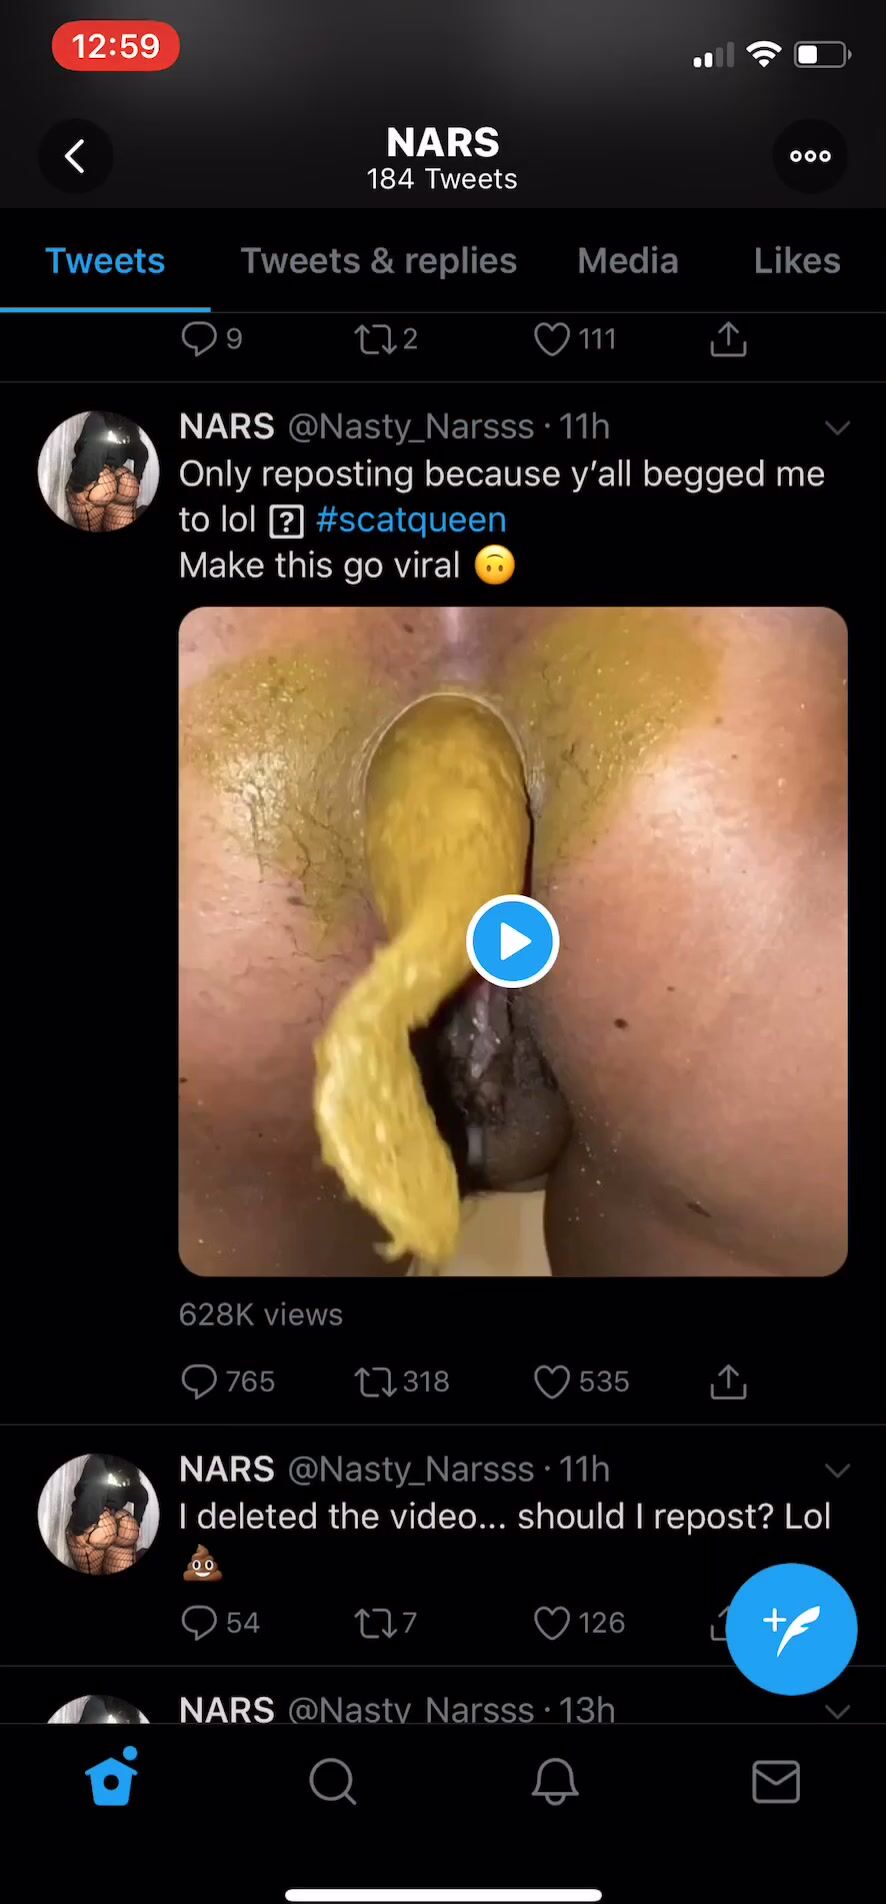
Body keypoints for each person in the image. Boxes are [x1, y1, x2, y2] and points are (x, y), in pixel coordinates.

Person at [65, 412, 149, 532]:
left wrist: (78, 486)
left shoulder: (97, 419)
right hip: (122, 483)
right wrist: (137, 479)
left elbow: (94, 451)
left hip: (98, 483)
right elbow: (142, 452)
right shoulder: (129, 426)